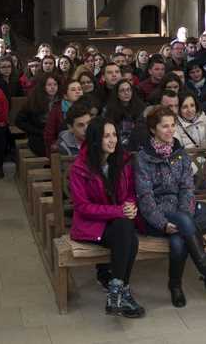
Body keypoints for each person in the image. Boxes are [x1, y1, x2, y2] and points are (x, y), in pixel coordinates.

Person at [134, 106, 206, 307]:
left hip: (180, 212)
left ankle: (175, 286)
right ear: (153, 129)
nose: (170, 130)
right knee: (183, 223)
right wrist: (163, 223)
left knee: (178, 242)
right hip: (154, 215)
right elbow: (145, 197)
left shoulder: (180, 153)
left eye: (172, 125)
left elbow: (187, 188)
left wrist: (184, 213)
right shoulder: (143, 158)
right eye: (164, 126)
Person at [67, 119, 146, 318]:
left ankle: (116, 292)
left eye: (114, 135)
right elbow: (82, 207)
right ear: (95, 139)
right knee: (129, 236)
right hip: (91, 226)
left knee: (127, 232)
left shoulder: (122, 159)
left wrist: (128, 206)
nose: (113, 140)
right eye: (106, 136)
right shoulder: (79, 167)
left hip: (117, 224)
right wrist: (119, 211)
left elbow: (129, 192)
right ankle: (123, 292)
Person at [16, 73, 60, 157]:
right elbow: (19, 121)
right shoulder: (34, 101)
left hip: (57, 136)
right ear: (43, 86)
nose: (53, 87)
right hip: (39, 137)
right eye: (49, 85)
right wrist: (37, 131)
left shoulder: (61, 100)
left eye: (55, 84)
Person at [103, 80, 148, 151]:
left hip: (138, 145)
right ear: (117, 94)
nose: (126, 93)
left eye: (128, 90)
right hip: (117, 145)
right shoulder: (109, 110)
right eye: (122, 91)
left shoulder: (141, 107)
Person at [44, 78, 85, 153]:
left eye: (79, 89)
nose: (78, 91)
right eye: (73, 90)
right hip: (63, 149)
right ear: (65, 96)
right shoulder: (57, 109)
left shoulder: (88, 107)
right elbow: (49, 135)